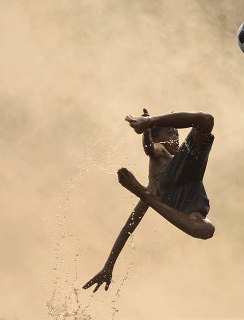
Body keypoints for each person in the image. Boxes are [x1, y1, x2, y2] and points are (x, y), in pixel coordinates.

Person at [83, 109, 216, 292]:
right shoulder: (160, 152)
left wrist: (109, 266)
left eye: (177, 133)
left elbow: (127, 229)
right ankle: (150, 122)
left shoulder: (159, 182)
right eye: (170, 133)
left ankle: (143, 195)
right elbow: (150, 149)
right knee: (205, 120)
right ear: (157, 138)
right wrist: (147, 132)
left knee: (207, 229)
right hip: (173, 179)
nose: (175, 138)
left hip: (185, 188)